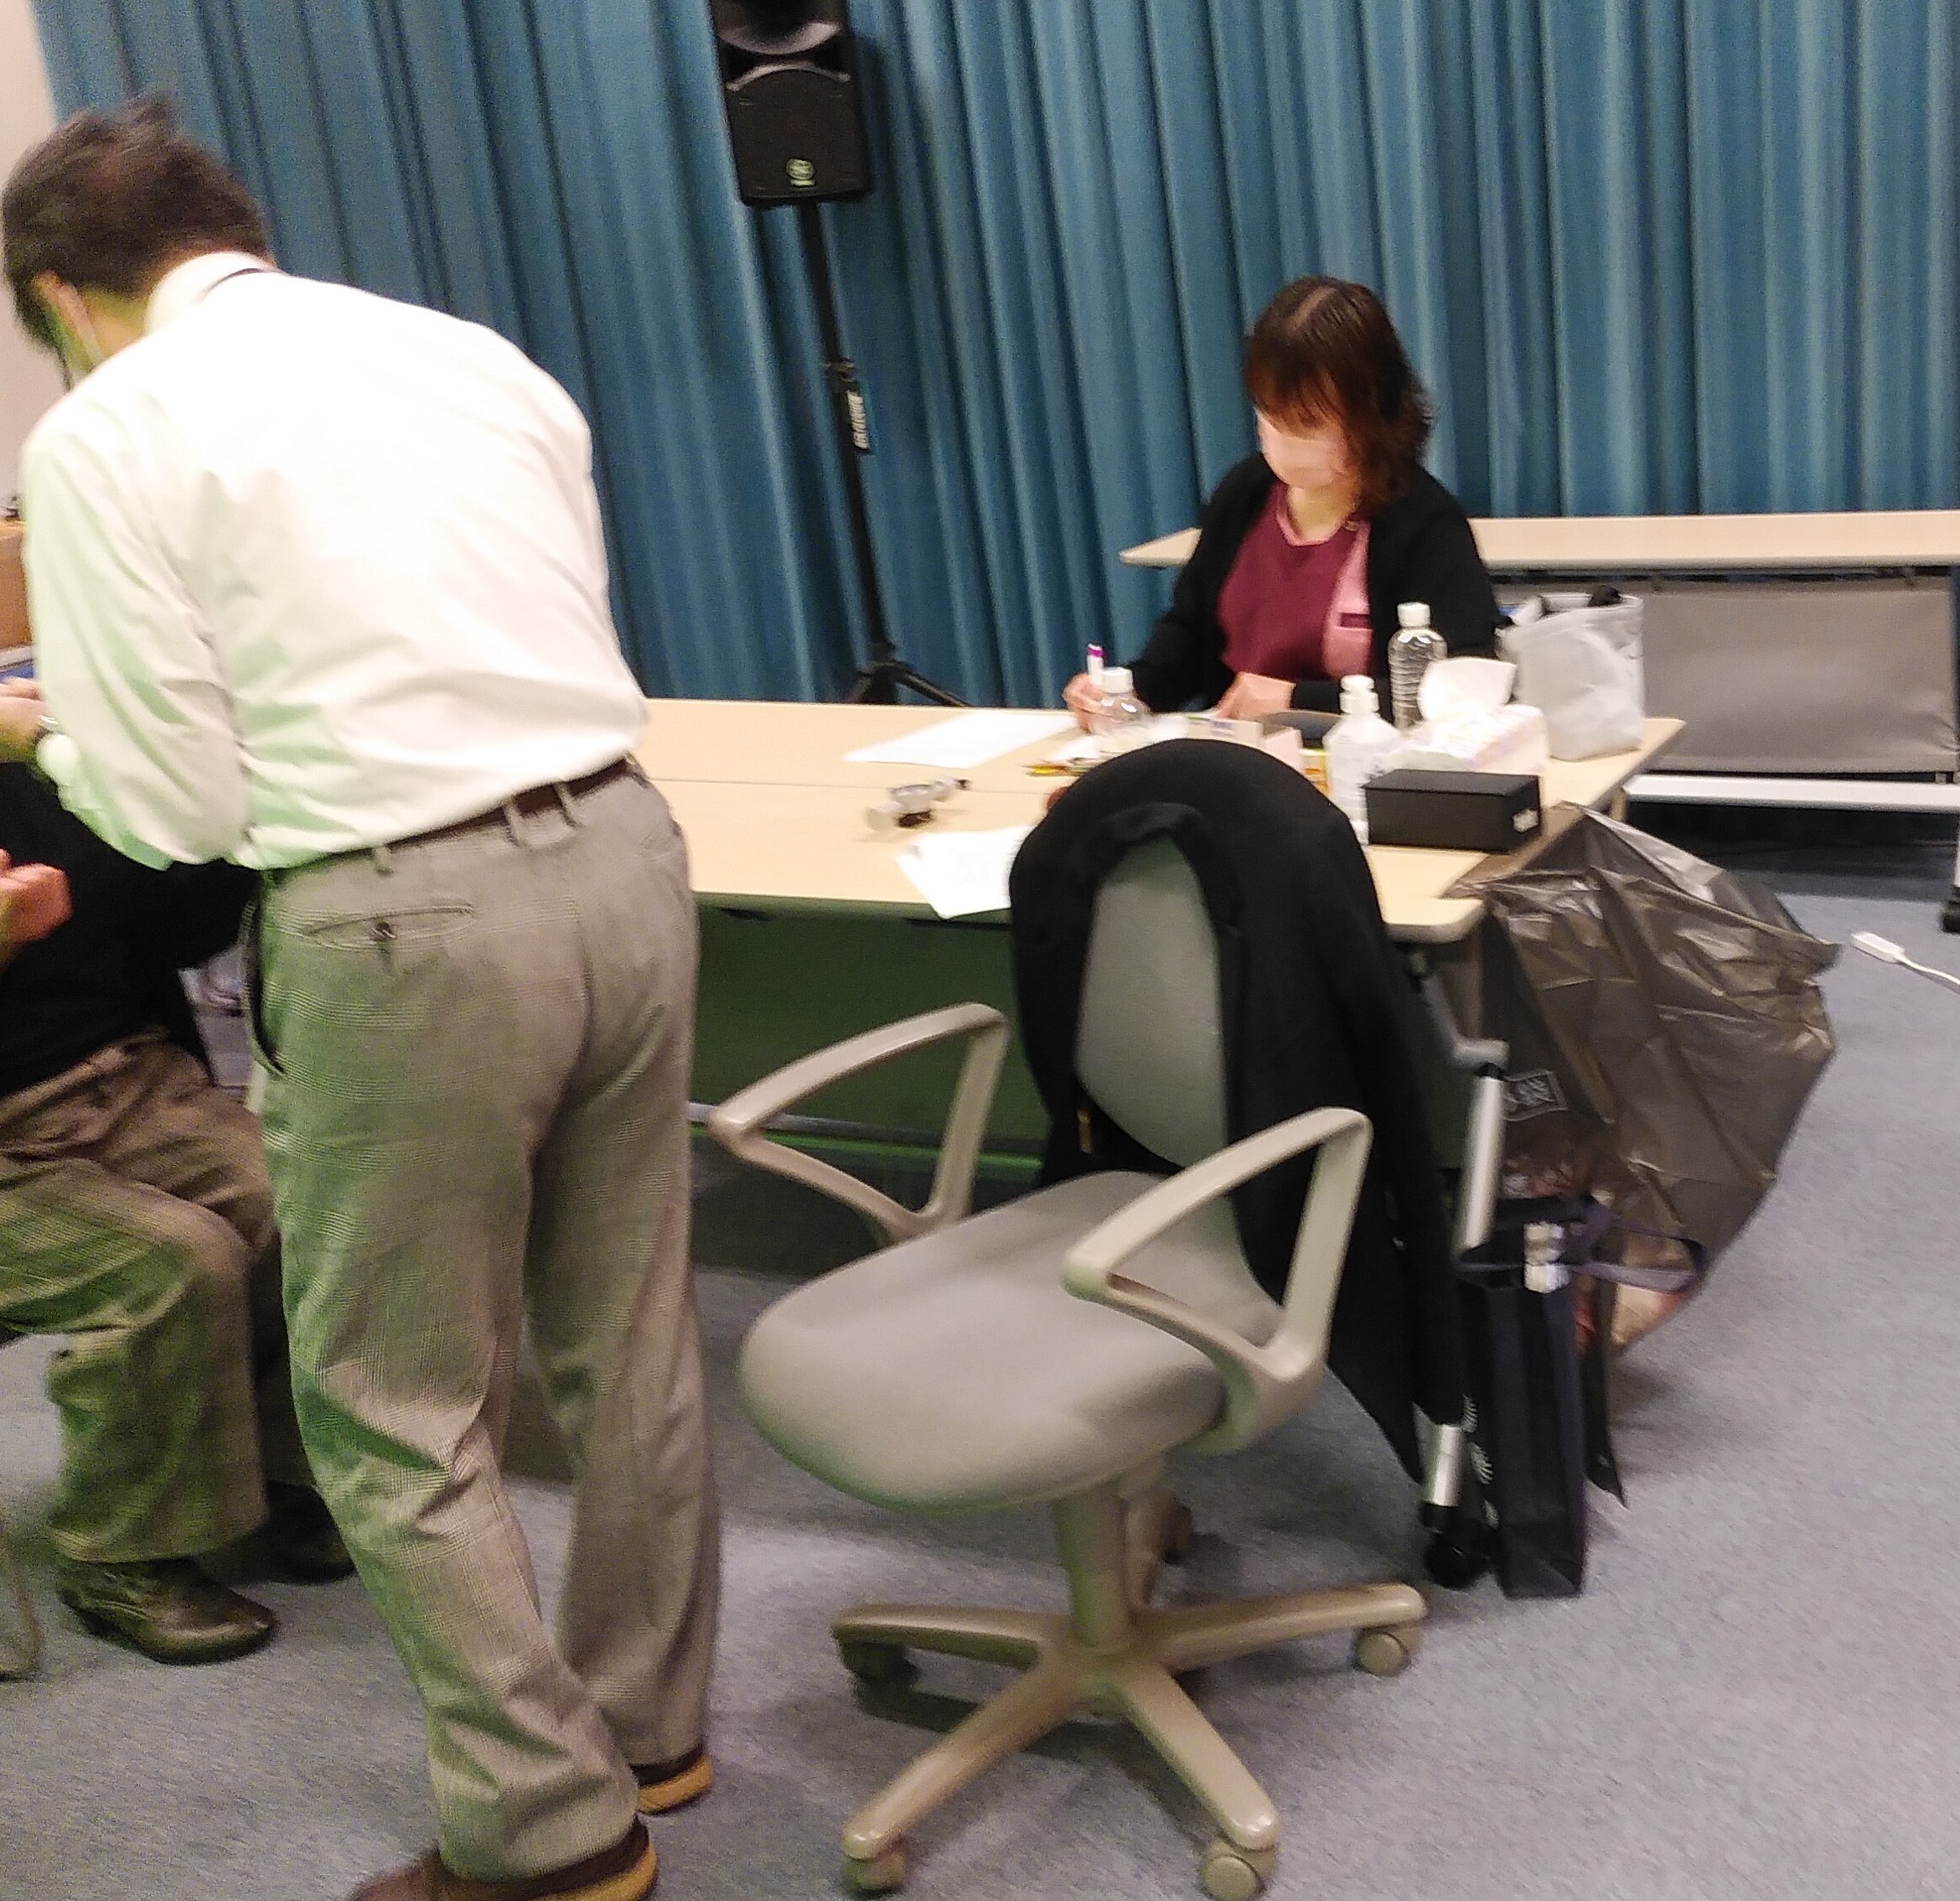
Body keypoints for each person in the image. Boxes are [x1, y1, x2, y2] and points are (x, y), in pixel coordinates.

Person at [3, 101, 715, 1901]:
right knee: (625, 1335)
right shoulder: (467, 356)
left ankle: (548, 1831)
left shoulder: (107, 435)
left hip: (407, 918)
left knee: (391, 1399)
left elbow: (174, 812)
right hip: (624, 848)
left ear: (62, 297)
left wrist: (47, 737)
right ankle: (651, 1729)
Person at [0, 732, 350, 1664]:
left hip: (121, 1079)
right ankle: (121, 1554)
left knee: (298, 1202)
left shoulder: (34, 764)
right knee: (173, 1265)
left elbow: (167, 926)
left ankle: (279, 1474)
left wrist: (232, 812)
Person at [1066, 276, 1499, 724]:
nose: (1280, 435)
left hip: (1361, 754)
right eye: (1269, 413)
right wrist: (1124, 694)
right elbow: (1188, 637)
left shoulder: (1424, 521)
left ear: (1369, 415)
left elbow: (1461, 688)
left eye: (1305, 421)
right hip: (1236, 746)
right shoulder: (1245, 493)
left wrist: (1296, 699)